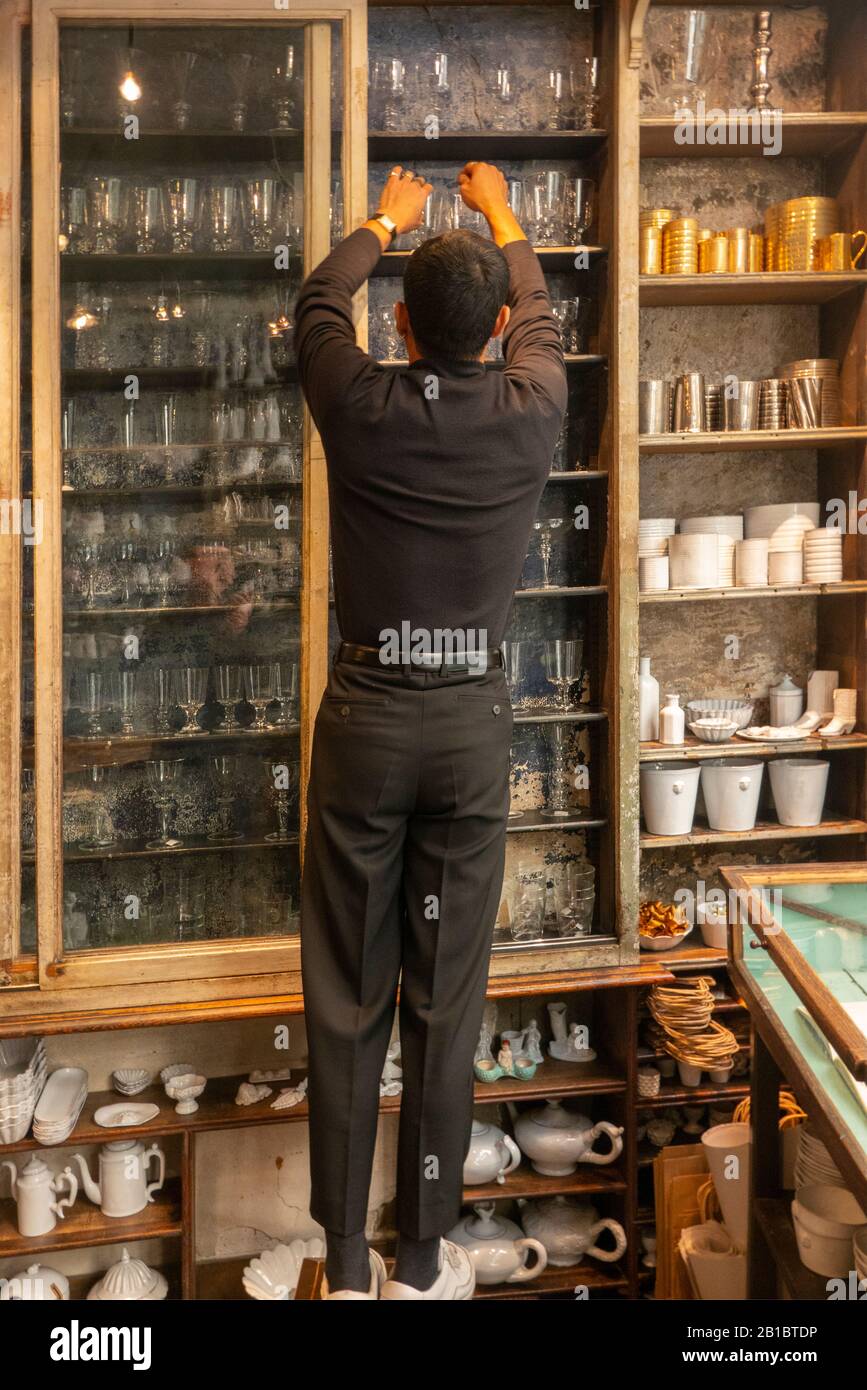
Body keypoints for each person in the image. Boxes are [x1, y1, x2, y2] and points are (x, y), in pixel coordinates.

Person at [295, 161, 567, 1300]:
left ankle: (347, 1265)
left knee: (350, 999)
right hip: (466, 729)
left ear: (398, 326)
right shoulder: (533, 404)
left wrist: (384, 218)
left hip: (366, 728)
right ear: (497, 333)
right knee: (444, 1005)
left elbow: (318, 303)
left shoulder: (361, 403)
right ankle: (419, 1260)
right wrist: (501, 208)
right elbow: (543, 304)